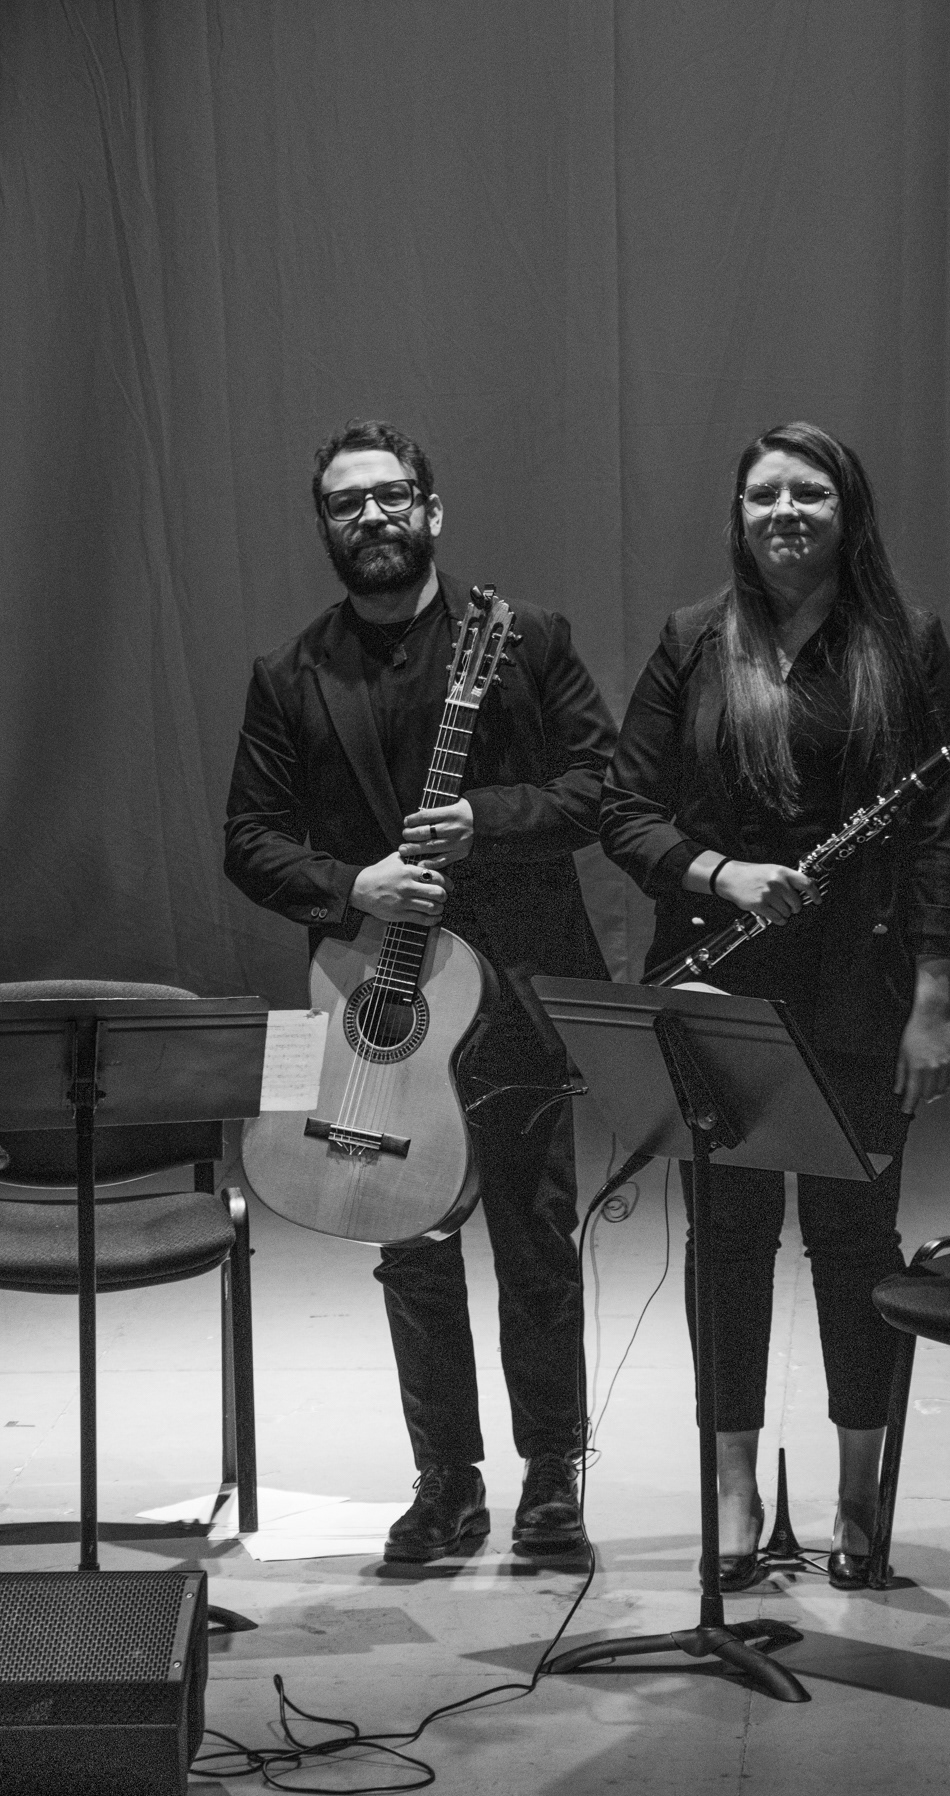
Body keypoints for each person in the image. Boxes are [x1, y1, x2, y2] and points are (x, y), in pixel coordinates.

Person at [225, 418, 617, 1563]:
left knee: (535, 1244)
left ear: (431, 510)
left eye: (391, 495)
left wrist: (484, 819)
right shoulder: (289, 676)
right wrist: (354, 883)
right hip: (379, 998)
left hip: (515, 990)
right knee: (404, 1244)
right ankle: (445, 1480)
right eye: (347, 503)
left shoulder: (523, 640)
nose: (372, 517)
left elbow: (600, 786)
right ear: (324, 527)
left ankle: (552, 1478)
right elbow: (249, 840)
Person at [599, 420, 950, 1590]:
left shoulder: (907, 646)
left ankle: (859, 1496)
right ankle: (731, 1491)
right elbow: (623, 809)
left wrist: (931, 997)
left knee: (855, 1246)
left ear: (846, 512)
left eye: (808, 493)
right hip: (722, 983)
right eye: (763, 494)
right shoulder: (690, 642)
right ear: (738, 513)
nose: (783, 513)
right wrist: (719, 874)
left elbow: (939, 838)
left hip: (862, 992)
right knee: (727, 1242)